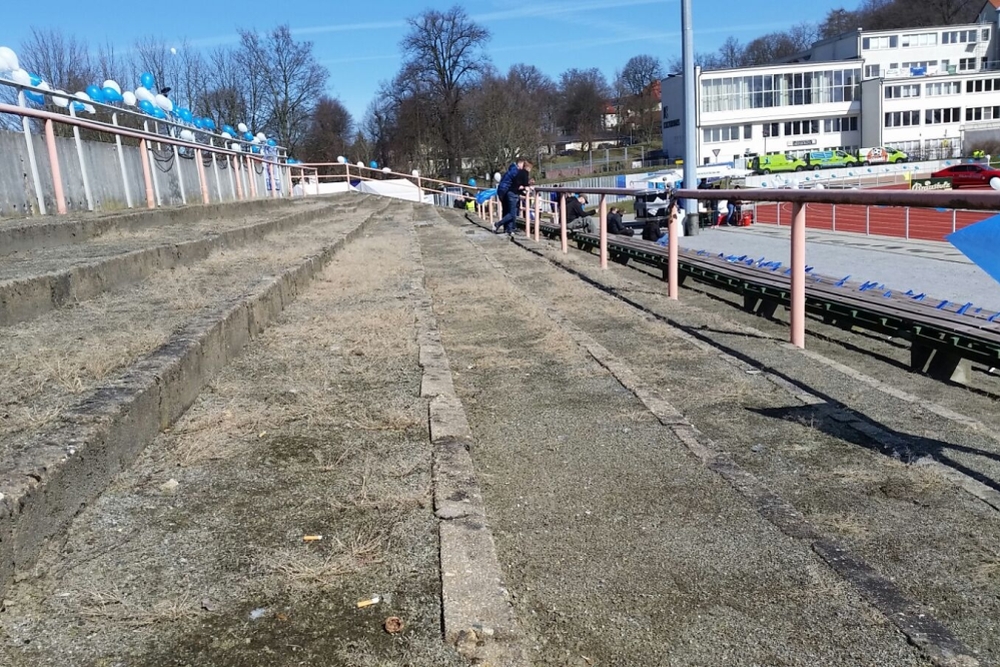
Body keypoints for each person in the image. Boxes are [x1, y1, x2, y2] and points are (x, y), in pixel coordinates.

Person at [494, 158, 524, 233]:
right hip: (506, 191)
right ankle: (499, 224)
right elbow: (517, 183)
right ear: (519, 164)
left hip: (501, 190)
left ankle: (507, 229)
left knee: (506, 210)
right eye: (523, 165)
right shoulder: (515, 171)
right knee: (512, 213)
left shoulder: (510, 170)